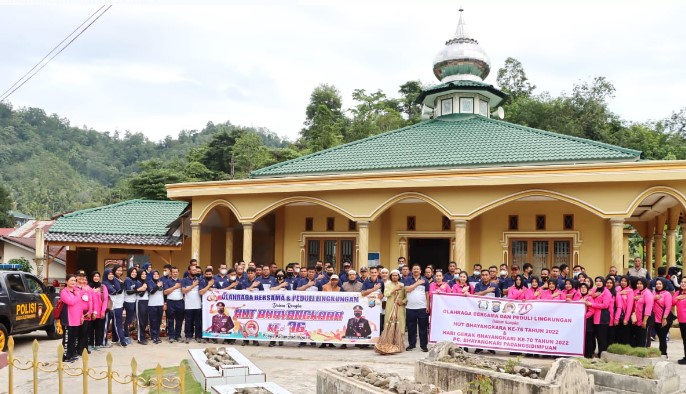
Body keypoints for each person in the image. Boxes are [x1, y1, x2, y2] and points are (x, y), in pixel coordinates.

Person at [404, 264, 429, 352]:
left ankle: (423, 345)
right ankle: (412, 344)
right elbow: (407, 289)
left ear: (420, 271)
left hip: (422, 307)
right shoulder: (407, 279)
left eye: (417, 269)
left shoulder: (425, 280)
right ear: (412, 270)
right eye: (414, 269)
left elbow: (427, 294)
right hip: (410, 307)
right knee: (411, 327)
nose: (416, 270)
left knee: (423, 328)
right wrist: (417, 283)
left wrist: (427, 305)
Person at [60, 274, 86, 362]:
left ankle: (71, 354)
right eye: (71, 280)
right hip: (68, 319)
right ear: (66, 281)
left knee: (73, 338)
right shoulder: (64, 292)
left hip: (76, 319)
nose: (73, 282)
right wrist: (78, 295)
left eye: (74, 280)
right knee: (67, 339)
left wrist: (82, 316)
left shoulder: (75, 291)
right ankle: (65, 356)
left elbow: (80, 305)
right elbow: (70, 302)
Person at [103, 267, 127, 347]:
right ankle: (103, 341)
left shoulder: (116, 281)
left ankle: (121, 340)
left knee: (118, 324)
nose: (111, 275)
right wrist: (119, 286)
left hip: (118, 305)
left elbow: (119, 290)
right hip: (108, 307)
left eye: (111, 274)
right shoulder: (104, 283)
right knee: (105, 324)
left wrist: (119, 285)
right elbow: (114, 291)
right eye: (109, 274)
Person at [588, 276, 612, 357]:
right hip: (593, 317)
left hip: (602, 318)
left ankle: (602, 354)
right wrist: (593, 296)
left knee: (602, 338)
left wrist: (592, 304)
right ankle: (592, 352)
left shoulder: (606, 292)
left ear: (603, 282)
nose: (598, 282)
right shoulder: (594, 290)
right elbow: (587, 296)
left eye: (600, 281)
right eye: (596, 281)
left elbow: (605, 305)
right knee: (594, 337)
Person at [163, 267, 185, 343]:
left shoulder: (182, 281)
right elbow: (165, 292)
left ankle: (178, 335)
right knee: (170, 320)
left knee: (179, 320)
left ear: (178, 273)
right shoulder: (168, 282)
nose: (175, 273)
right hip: (171, 302)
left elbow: (185, 291)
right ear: (171, 273)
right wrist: (175, 287)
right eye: (173, 272)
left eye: (176, 272)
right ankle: (171, 336)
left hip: (180, 302)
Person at [88, 271, 108, 351]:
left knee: (99, 328)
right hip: (91, 312)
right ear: (92, 277)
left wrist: (103, 311)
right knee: (90, 328)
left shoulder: (103, 287)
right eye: (94, 276)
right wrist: (93, 292)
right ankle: (90, 343)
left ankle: (97, 344)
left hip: (100, 312)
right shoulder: (88, 287)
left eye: (98, 276)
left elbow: (105, 300)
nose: (96, 278)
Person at [631, 277, 654, 348]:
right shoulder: (639, 293)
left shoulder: (648, 294)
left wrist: (644, 321)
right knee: (639, 337)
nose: (639, 285)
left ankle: (644, 353)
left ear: (645, 284)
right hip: (638, 319)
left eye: (641, 284)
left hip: (646, 319)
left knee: (645, 337)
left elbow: (648, 309)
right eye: (638, 283)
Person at [652, 278, 673, 357]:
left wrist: (664, 318)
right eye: (657, 284)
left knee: (662, 337)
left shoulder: (667, 294)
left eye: (660, 284)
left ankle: (664, 354)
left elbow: (668, 307)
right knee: (660, 337)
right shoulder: (654, 293)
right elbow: (650, 302)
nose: (658, 285)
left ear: (663, 285)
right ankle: (661, 353)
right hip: (656, 319)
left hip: (665, 319)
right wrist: (654, 298)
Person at [75, 271, 93, 356]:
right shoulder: (74, 288)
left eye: (84, 277)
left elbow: (90, 300)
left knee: (85, 332)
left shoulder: (87, 288)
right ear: (76, 277)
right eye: (80, 276)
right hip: (79, 313)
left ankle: (85, 348)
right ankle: (79, 350)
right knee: (80, 333)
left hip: (87, 313)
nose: (82, 279)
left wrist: (90, 311)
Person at [384, 270, 406, 334]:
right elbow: (386, 294)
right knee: (389, 321)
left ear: (399, 276)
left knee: (400, 322)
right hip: (390, 305)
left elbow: (406, 296)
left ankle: (399, 339)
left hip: (400, 306)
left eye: (396, 275)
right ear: (391, 276)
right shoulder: (388, 285)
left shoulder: (402, 285)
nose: (394, 277)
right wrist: (395, 289)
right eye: (393, 275)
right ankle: (389, 340)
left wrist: (403, 302)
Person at [614, 275, 634, 345]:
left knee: (625, 335)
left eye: (625, 281)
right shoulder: (617, 289)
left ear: (628, 282)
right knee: (617, 334)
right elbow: (613, 296)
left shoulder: (630, 291)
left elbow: (629, 306)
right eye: (622, 281)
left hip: (625, 315)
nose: (623, 282)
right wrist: (620, 293)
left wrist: (626, 318)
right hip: (616, 315)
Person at [147, 270, 165, 344]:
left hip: (160, 303)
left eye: (157, 274)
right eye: (154, 274)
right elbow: (151, 291)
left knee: (158, 321)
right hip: (152, 304)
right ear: (152, 275)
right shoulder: (149, 282)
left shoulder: (161, 282)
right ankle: (153, 336)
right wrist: (157, 286)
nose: (156, 275)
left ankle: (157, 336)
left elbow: (163, 293)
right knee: (153, 321)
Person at [578, 283, 595, 358]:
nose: (583, 289)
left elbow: (592, 311)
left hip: (588, 320)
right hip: (580, 321)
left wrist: (584, 317)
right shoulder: (579, 297)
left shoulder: (589, 298)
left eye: (585, 287)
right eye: (582, 287)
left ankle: (589, 354)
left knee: (588, 337)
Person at [122, 267, 138, 345]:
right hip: (128, 301)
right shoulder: (128, 280)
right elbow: (128, 291)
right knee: (128, 319)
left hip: (134, 301)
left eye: (135, 272)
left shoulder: (134, 280)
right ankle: (126, 336)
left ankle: (128, 333)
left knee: (132, 319)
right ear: (129, 272)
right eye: (132, 272)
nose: (134, 273)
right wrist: (138, 289)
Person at [672, 278, 686, 364]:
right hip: (681, 321)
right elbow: (672, 303)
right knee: (684, 339)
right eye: (682, 282)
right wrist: (677, 298)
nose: (683, 283)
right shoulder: (678, 293)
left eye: (685, 282)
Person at [135, 270, 149, 345]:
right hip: (140, 302)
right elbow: (140, 294)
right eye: (142, 274)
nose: (144, 275)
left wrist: (145, 287)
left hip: (146, 302)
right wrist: (144, 287)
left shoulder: (145, 282)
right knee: (140, 321)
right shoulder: (138, 282)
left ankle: (143, 336)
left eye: (145, 274)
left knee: (144, 321)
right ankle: (140, 338)